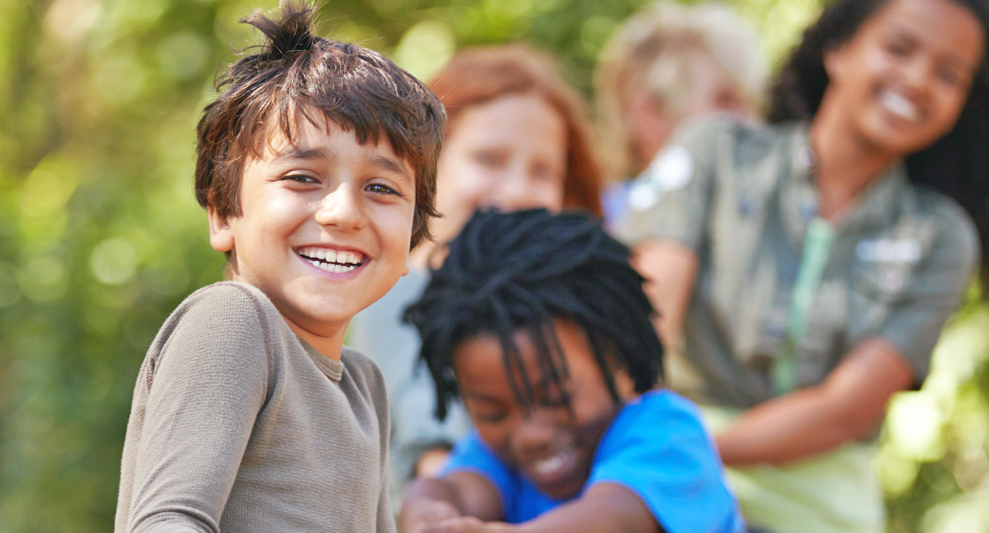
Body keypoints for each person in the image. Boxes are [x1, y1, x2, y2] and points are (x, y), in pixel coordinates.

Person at [619, 0, 989, 530]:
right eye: (899, 48)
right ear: (838, 49)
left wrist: (694, 445)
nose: (918, 80)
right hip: (665, 473)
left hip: (814, 506)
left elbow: (843, 412)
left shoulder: (940, 238)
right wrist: (657, 443)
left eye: (949, 74)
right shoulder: (715, 152)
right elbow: (646, 316)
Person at [113, 1, 446, 531]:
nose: (343, 214)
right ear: (223, 211)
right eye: (301, 178)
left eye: (381, 188)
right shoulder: (234, 322)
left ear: (412, 238)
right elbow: (169, 521)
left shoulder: (365, 386)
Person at [349, 44, 606, 493]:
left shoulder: (573, 304)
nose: (518, 190)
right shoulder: (395, 289)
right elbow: (429, 445)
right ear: (425, 163)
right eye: (489, 159)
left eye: (543, 171)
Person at [397, 209, 744, 533]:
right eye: (493, 413)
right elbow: (451, 489)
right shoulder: (494, 458)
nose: (531, 435)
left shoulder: (668, 433)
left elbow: (615, 517)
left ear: (619, 360)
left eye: (556, 396)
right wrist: (429, 511)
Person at [592, 2, 766, 228]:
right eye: (725, 101)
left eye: (752, 104)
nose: (753, 123)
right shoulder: (600, 227)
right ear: (652, 113)